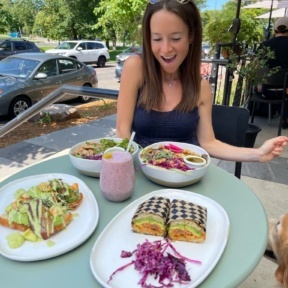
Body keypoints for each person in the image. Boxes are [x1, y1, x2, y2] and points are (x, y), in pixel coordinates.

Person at [116, 0, 288, 164]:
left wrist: (258, 154)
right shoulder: (136, 67)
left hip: (186, 178)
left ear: (191, 35)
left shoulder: (201, 88)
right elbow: (122, 132)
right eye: (157, 39)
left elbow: (208, 143)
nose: (166, 48)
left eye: (176, 38)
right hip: (142, 174)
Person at [255, 17, 288, 121]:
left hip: (266, 90)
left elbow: (256, 66)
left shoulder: (264, 45)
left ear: (274, 30)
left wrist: (260, 83)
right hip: (286, 91)